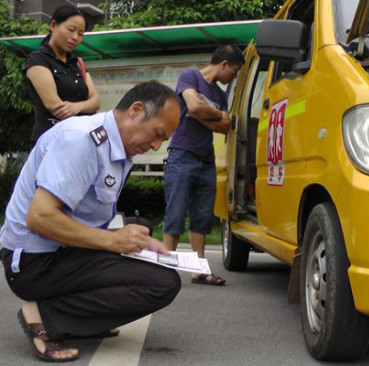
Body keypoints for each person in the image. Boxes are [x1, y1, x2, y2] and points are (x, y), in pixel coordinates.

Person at [0, 81, 181, 362]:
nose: (156, 145)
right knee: (162, 283)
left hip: (58, 250)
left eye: (164, 141)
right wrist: (112, 241)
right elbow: (40, 217)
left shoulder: (118, 148)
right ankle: (44, 317)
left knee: (141, 228)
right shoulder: (82, 140)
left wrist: (133, 238)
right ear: (135, 110)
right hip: (34, 263)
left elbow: (89, 213)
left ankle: (89, 318)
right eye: (158, 134)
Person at [163, 44, 244, 286]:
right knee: (175, 214)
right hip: (182, 154)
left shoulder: (220, 95)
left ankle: (199, 270)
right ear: (224, 65)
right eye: (235, 70)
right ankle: (163, 271)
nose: (234, 76)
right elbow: (194, 106)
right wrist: (211, 113)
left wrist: (205, 114)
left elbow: (224, 125)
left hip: (206, 160)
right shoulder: (190, 76)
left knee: (202, 217)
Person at [25, 5, 100, 145]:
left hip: (79, 140)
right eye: (71, 30)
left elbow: (96, 101)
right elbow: (55, 106)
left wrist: (76, 107)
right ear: (53, 25)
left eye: (81, 33)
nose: (75, 37)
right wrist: (85, 105)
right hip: (50, 140)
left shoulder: (78, 63)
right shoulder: (38, 59)